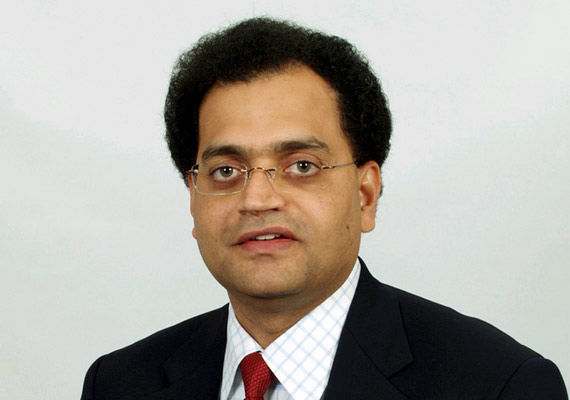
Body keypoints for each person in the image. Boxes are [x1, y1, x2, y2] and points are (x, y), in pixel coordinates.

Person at [81, 17, 567, 399]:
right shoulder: (120, 383)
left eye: (302, 166)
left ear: (366, 194)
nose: (257, 199)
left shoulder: (501, 385)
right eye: (226, 171)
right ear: (193, 198)